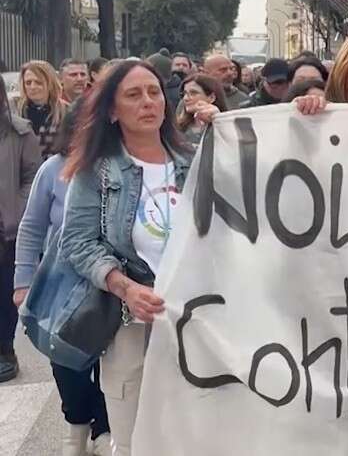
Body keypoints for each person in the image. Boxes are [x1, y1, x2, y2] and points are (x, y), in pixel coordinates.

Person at [58, 60, 194, 456]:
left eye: (154, 92)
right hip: (129, 326)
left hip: (194, 322)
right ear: (113, 111)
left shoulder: (196, 160)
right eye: (133, 95)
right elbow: (78, 243)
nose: (148, 102)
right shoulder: (96, 171)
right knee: (134, 441)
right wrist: (126, 286)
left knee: (193, 434)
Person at [13, 108, 113, 455]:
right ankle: (76, 425)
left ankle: (104, 428)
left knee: (111, 361)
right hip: (62, 282)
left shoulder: (123, 165)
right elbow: (32, 226)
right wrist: (22, 280)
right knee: (65, 357)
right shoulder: (53, 169)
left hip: (112, 282)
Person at [1, 77, 41, 383]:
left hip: (6, 229)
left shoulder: (20, 131)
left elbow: (32, 174)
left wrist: (17, 204)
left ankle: (5, 350)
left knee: (3, 295)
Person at [14, 60, 67, 160]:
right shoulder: (15, 111)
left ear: (50, 83)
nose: (32, 87)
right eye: (28, 83)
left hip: (52, 171)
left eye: (38, 82)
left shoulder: (65, 111)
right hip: (22, 171)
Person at [177, 74, 226, 146]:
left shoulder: (225, 126)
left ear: (212, 97)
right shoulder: (178, 127)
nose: (186, 98)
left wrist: (218, 120)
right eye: (184, 93)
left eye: (193, 93)